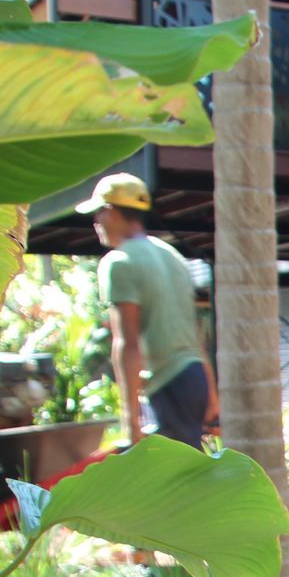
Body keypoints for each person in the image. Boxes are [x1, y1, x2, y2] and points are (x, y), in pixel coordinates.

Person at [77, 173, 218, 448]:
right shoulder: (173, 256)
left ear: (111, 211)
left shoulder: (119, 262)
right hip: (194, 378)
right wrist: (211, 393)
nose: (95, 223)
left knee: (172, 484)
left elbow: (127, 344)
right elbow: (194, 334)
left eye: (98, 214)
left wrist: (131, 422)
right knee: (190, 472)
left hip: (168, 383)